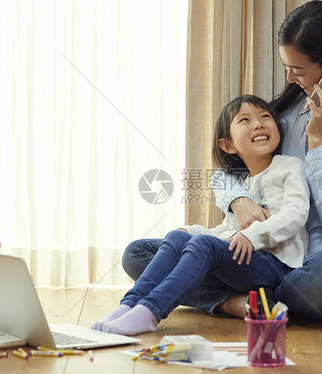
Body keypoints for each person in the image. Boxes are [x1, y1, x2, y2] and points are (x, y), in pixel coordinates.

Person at [121, 0, 322, 320]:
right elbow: (226, 171)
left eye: (298, 70)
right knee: (137, 255)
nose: (290, 79)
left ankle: (235, 295)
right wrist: (239, 201)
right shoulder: (285, 112)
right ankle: (239, 301)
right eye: (286, 67)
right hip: (265, 254)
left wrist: (318, 139)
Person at [91, 95, 309, 335]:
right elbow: (226, 231)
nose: (258, 123)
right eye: (245, 120)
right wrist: (190, 232)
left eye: (265, 116)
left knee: (203, 245)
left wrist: (251, 236)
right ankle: (128, 305)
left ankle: (150, 311)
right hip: (240, 262)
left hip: (277, 265)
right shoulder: (239, 184)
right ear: (228, 145)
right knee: (172, 239)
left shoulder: (290, 165)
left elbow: (296, 213)